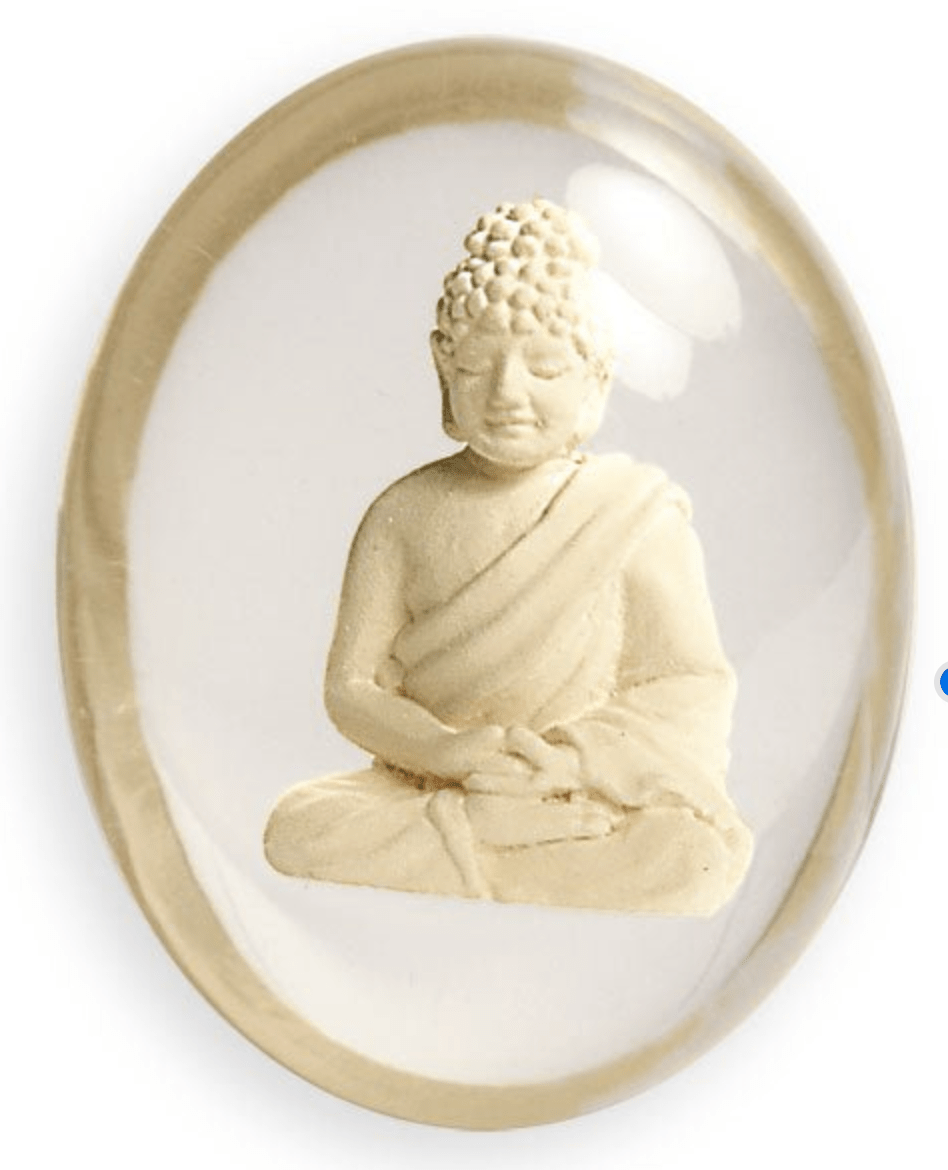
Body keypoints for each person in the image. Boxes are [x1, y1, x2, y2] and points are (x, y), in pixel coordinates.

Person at [264, 198, 752, 914]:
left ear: (597, 378)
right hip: (434, 782)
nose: (507, 392)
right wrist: (447, 753)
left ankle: (486, 845)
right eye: (476, 365)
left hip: (576, 787)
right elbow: (353, 688)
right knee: (300, 823)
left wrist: (565, 762)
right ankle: (493, 842)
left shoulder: (634, 513)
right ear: (442, 367)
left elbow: (686, 683)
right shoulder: (404, 512)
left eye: (546, 366)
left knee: (690, 856)